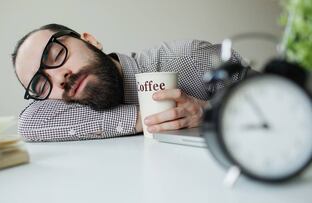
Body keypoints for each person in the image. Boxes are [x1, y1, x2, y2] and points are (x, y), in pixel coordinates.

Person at [12, 23, 248, 142]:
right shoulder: (68, 105)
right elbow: (28, 123)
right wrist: (147, 117)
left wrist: (209, 112)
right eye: (43, 86)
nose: (59, 78)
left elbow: (277, 99)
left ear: (91, 41)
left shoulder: (191, 58)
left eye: (57, 56)